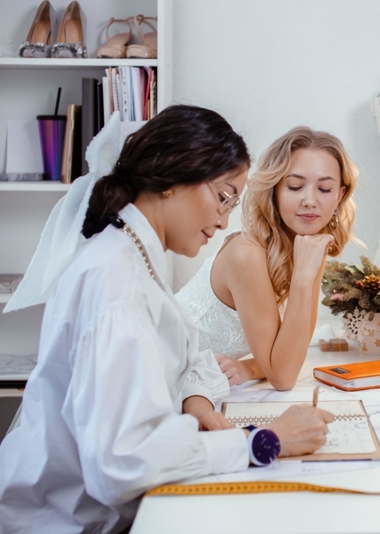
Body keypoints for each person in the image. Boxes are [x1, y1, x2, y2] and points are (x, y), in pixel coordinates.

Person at [0, 107, 333, 534]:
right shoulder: (114, 281)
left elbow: (188, 357)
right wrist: (263, 441)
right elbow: (119, 464)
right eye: (222, 195)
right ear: (173, 180)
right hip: (61, 521)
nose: (224, 218)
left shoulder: (135, 253)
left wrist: (197, 399)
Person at [176, 127, 357, 388]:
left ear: (339, 196)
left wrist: (249, 368)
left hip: (194, 389)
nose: (310, 200)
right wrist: (304, 278)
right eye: (295, 186)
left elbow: (292, 353)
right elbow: (283, 377)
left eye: (325, 189)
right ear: (274, 190)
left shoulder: (308, 245)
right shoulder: (246, 253)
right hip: (148, 377)